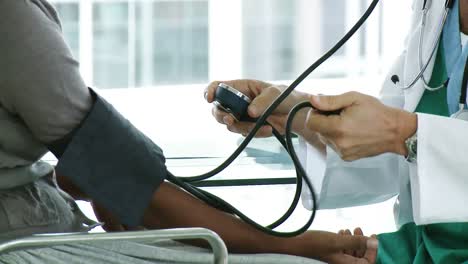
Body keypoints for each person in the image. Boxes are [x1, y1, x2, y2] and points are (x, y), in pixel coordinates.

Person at [0, 0, 379, 263]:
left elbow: (94, 175)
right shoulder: (13, 17)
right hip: (22, 241)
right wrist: (302, 247)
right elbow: (131, 187)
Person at [205, 0, 468, 262]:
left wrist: (402, 133)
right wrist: (299, 114)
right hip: (422, 251)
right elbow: (403, 154)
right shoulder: (434, 6)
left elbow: (407, 134)